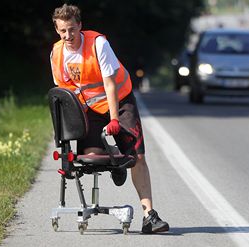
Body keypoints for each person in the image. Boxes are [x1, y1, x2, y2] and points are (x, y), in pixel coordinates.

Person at [50, 4, 169, 234]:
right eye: (63, 31)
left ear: (80, 26)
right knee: (93, 158)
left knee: (137, 157)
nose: (68, 36)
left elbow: (110, 84)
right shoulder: (57, 54)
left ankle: (149, 216)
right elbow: (65, 93)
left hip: (120, 102)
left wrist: (114, 119)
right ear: (57, 29)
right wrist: (65, 133)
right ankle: (117, 160)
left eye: (72, 30)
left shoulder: (98, 44)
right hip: (92, 108)